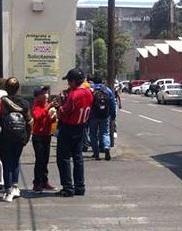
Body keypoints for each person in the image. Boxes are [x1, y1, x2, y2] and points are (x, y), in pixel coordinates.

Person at [53, 68, 93, 197]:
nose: (68, 84)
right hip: (81, 126)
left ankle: (68, 187)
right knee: (78, 157)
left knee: (63, 158)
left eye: (69, 81)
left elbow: (65, 113)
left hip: (69, 127)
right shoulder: (88, 93)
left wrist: (59, 106)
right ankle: (80, 186)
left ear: (74, 81)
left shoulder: (74, 94)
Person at [0, 77, 32, 202]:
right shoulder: (25, 103)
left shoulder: (1, 102)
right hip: (19, 136)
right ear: (18, 88)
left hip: (4, 136)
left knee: (6, 163)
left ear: (5, 88)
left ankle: (8, 189)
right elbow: (29, 121)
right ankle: (15, 186)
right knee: (16, 160)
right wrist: (27, 136)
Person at [31, 86, 56, 192]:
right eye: (43, 93)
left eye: (47, 93)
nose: (46, 95)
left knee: (45, 160)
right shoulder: (36, 106)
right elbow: (37, 117)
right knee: (39, 160)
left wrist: (53, 118)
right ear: (38, 96)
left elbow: (48, 120)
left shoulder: (47, 105)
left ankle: (44, 181)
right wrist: (48, 107)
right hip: (38, 136)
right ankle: (37, 183)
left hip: (47, 135)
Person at [88, 75, 117, 161]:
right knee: (105, 132)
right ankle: (106, 147)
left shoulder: (91, 90)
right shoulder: (107, 90)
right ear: (101, 82)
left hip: (93, 115)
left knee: (93, 134)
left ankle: (96, 153)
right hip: (105, 115)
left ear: (94, 82)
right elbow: (112, 103)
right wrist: (113, 114)